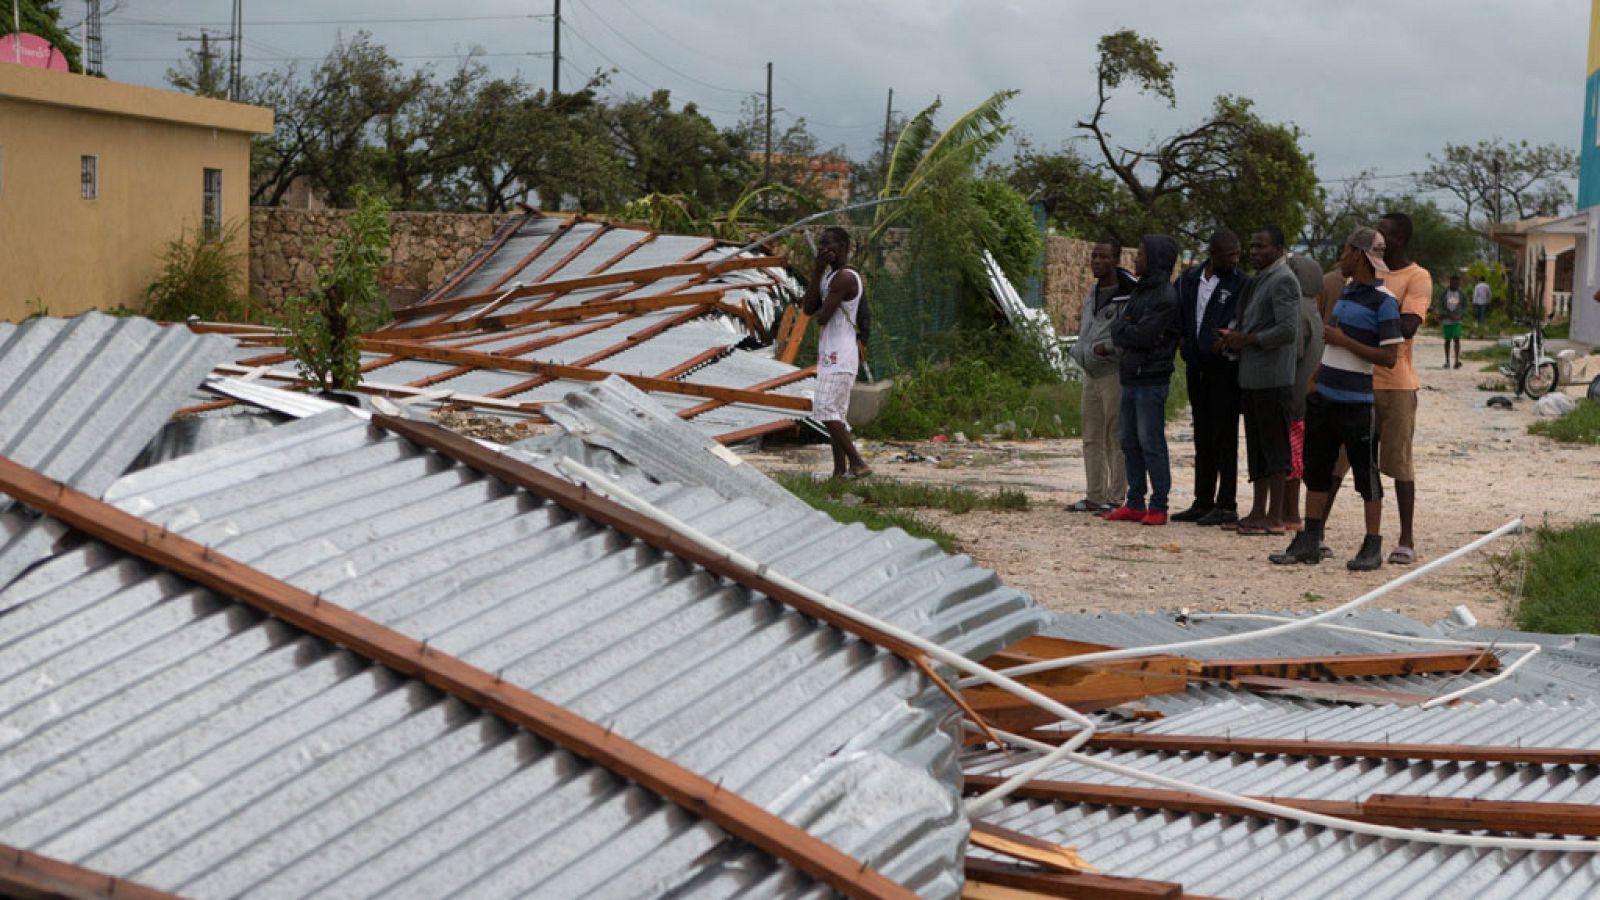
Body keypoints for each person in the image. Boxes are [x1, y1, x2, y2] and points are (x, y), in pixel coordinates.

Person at [1271, 227, 1402, 570]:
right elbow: (1330, 344)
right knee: (1316, 470)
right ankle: (1310, 540)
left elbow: (1389, 357)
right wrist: (1315, 380)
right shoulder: (1345, 293)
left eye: (1344, 251)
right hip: (1325, 397)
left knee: (1365, 474)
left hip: (1357, 403)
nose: (1340, 258)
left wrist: (1344, 340)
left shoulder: (1384, 302)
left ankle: (1372, 545)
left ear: (1358, 255)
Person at [1217, 226, 1300, 535]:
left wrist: (1248, 340)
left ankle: (1275, 516)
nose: (1254, 252)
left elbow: (1288, 330)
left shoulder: (1283, 281)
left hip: (1273, 378)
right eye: (1251, 246)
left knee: (1275, 449)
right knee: (1257, 448)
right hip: (1253, 377)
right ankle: (1258, 510)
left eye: (1261, 246)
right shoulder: (1262, 280)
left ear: (1279, 248)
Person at [1103, 235, 1181, 526]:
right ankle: (1135, 501)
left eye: (1141, 254)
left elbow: (1143, 335)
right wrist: (1129, 328)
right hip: (1131, 376)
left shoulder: (1166, 296)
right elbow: (1119, 328)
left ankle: (1158, 505)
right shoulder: (1140, 292)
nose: (1135, 259)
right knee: (1129, 441)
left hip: (1152, 378)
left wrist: (1128, 329)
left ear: (1156, 260)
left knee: (1151, 442)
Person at [1172, 229, 1248, 526]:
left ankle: (1226, 503)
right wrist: (1180, 338)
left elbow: (1244, 318)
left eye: (1238, 253)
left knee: (1225, 435)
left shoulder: (1241, 283)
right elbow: (1177, 312)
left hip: (1224, 368)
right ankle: (1202, 500)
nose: (1236, 259)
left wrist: (1228, 338)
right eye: (1230, 254)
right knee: (1202, 434)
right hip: (1196, 366)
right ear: (1213, 254)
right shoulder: (1189, 280)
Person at [1067, 240, 1137, 512]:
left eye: (1103, 257)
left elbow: (1129, 333)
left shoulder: (1127, 294)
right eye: (1094, 256)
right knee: (1091, 435)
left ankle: (1115, 496)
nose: (1096, 261)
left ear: (1116, 260)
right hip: (1090, 372)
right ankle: (1093, 494)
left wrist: (1107, 349)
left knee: (1115, 435)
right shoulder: (1093, 292)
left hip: (1113, 371)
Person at [800, 226, 871, 479]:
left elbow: (822, 316)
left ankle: (858, 463)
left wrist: (821, 297)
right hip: (830, 354)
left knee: (826, 410)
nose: (824, 250)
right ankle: (839, 470)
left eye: (829, 245)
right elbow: (808, 308)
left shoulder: (845, 278)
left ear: (844, 247)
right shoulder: (828, 277)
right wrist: (817, 270)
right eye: (821, 245)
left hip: (842, 354)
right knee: (835, 416)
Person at [1282, 255, 1326, 532]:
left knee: (1291, 455)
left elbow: (1294, 352)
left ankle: (1290, 512)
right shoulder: (1315, 309)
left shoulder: (1298, 310)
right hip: (1310, 394)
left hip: (1295, 393)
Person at [1437, 273, 1467, 368]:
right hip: (1446, 320)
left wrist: (1461, 315)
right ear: (1450, 283)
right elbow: (1440, 305)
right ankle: (1447, 361)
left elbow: (1465, 306)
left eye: (1457, 284)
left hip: (1457, 321)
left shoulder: (1462, 294)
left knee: (1457, 339)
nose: (1455, 285)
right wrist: (1445, 314)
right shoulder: (1444, 293)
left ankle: (1457, 361)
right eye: (1453, 283)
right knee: (1447, 341)